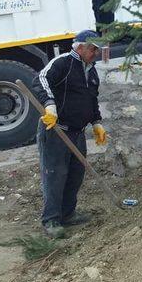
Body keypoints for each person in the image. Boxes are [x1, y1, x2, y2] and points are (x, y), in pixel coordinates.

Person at [32, 30, 107, 239]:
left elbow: (92, 99)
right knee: (55, 175)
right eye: (93, 49)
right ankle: (51, 220)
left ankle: (67, 213)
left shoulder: (91, 71)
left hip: (77, 132)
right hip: (56, 131)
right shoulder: (63, 63)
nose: (96, 53)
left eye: (98, 49)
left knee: (75, 175)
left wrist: (96, 122)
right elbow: (41, 80)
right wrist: (49, 105)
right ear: (80, 47)